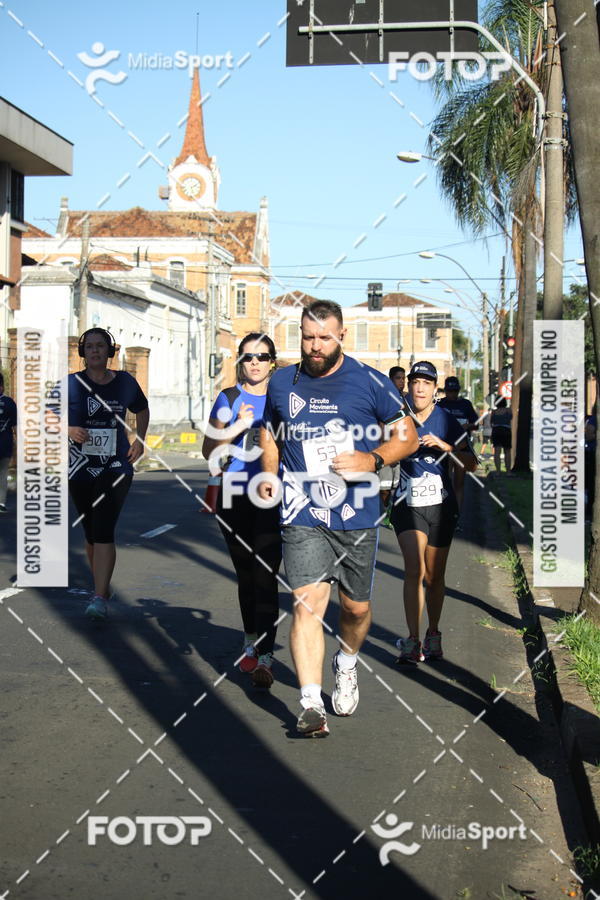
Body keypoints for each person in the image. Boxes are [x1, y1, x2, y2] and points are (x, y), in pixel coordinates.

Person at [258, 300, 419, 737]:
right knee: (306, 603)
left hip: (357, 513)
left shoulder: (369, 382)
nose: (314, 346)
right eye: (307, 337)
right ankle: (310, 702)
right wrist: (271, 475)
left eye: (323, 338)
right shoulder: (281, 382)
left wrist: (373, 458)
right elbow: (269, 432)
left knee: (356, 607)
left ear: (341, 336)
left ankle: (345, 661)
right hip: (302, 509)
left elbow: (408, 435)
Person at [201, 333, 282, 689]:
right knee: (246, 573)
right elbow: (208, 450)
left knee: (266, 572)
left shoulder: (282, 400)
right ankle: (251, 637)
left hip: (272, 493)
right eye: (248, 356)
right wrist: (235, 427)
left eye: (262, 357)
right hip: (234, 492)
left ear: (272, 363)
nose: (254, 363)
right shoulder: (229, 397)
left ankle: (265, 654)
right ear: (240, 361)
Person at [392, 361, 478, 664]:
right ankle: (412, 640)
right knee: (414, 570)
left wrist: (446, 447)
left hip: (440, 507)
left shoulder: (446, 421)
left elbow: (472, 464)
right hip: (407, 505)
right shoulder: (398, 417)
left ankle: (433, 632)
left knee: (435, 576)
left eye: (426, 383)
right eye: (415, 382)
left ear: (434, 389)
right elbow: (383, 451)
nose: (419, 387)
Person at [68, 328, 149, 620]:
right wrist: (66, 429)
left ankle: (99, 596)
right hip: (79, 467)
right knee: (90, 532)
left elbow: (142, 408)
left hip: (116, 464)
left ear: (110, 351)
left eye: (100, 346)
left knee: (103, 528)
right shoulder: (70, 384)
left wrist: (140, 439)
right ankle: (101, 585)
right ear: (82, 352)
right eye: (88, 346)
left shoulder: (125, 382)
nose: (94, 351)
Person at [437, 376, 478, 508]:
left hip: (461, 448)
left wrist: (468, 426)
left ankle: (457, 516)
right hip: (444, 448)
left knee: (459, 483)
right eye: (449, 391)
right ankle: (445, 514)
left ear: (458, 391)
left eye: (454, 391)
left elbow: (476, 423)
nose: (452, 394)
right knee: (445, 482)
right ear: (445, 390)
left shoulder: (465, 404)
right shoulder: (439, 404)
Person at [0, 373, 17, 512]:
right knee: (3, 474)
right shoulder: (10, 402)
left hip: (5, 445)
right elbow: (15, 427)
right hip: (5, 445)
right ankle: (1, 503)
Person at [491, 398, 513, 473]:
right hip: (506, 430)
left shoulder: (494, 412)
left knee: (497, 452)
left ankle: (498, 471)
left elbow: (492, 421)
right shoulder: (508, 410)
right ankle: (508, 471)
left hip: (496, 430)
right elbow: (511, 417)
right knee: (507, 451)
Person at [585, 404, 597, 517]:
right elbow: (588, 436)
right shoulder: (593, 419)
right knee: (592, 484)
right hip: (594, 454)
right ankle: (589, 511)